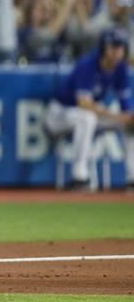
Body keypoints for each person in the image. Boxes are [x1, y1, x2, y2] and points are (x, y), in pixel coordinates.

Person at [46, 29, 134, 191]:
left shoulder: (120, 69)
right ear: (103, 47)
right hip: (60, 113)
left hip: (87, 114)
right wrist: (117, 116)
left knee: (130, 124)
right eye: (113, 47)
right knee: (87, 118)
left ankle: (132, 177)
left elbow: (125, 104)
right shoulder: (88, 64)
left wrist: (128, 117)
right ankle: (79, 177)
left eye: (120, 47)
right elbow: (83, 103)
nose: (116, 52)